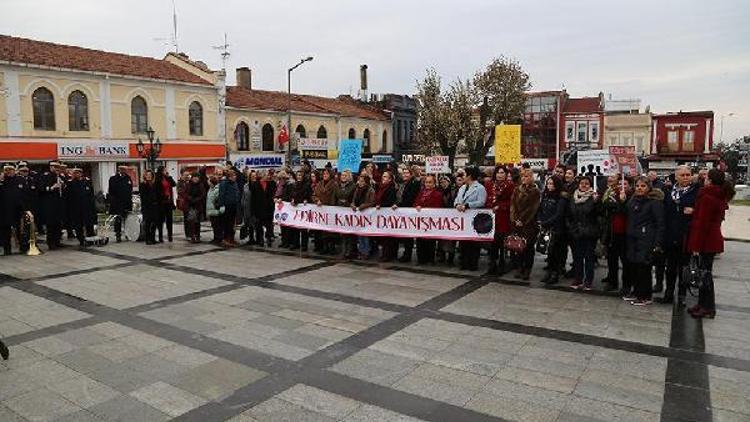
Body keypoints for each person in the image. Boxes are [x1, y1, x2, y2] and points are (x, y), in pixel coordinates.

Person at [686, 169, 735, 318]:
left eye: (706, 177)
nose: (704, 179)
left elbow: (703, 223)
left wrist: (695, 245)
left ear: (711, 180)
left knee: (705, 275)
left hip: (707, 240)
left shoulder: (707, 196)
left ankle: (707, 307)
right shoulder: (717, 194)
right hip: (712, 238)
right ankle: (702, 304)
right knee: (704, 273)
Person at [658, 166, 700, 305]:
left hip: (686, 235)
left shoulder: (696, 192)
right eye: (682, 175)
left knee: (684, 268)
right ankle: (668, 293)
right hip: (670, 235)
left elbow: (702, 212)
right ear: (676, 177)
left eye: (688, 174)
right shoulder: (669, 192)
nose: (686, 177)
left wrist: (694, 211)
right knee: (670, 268)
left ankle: (682, 295)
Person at [624, 177, 665, 306]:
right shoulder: (633, 200)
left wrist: (657, 243)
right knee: (635, 267)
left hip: (646, 239)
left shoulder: (654, 202)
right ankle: (637, 292)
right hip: (633, 238)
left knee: (644, 268)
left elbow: (660, 224)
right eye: (637, 186)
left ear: (648, 188)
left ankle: (645, 296)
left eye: (643, 186)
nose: (639, 188)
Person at [600, 174, 631, 293]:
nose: (621, 186)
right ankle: (612, 281)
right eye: (619, 184)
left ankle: (626, 284)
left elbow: (626, 212)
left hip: (625, 233)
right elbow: (604, 209)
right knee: (612, 259)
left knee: (625, 261)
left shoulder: (631, 197)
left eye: (624, 184)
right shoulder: (612, 195)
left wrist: (622, 202)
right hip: (612, 232)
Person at [567, 176, 600, 290]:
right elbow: (570, 215)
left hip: (589, 232)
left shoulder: (593, 197)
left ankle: (588, 281)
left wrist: (596, 202)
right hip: (576, 232)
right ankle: (578, 278)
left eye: (586, 183)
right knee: (577, 257)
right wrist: (572, 228)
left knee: (589, 258)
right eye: (582, 183)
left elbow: (597, 214)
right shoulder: (574, 197)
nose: (584, 185)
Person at [509, 168, 541, 280]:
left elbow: (532, 209)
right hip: (517, 223)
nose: (524, 178)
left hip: (529, 224)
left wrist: (522, 220)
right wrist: (515, 219)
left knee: (528, 247)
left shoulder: (535, 191)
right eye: (522, 176)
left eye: (526, 176)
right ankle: (519, 267)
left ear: (531, 178)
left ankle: (527, 269)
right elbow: (512, 205)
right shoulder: (517, 189)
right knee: (518, 247)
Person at [454, 166, 487, 271]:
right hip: (463, 219)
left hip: (473, 218)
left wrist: (467, 205)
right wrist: (457, 205)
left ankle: (473, 263)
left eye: (464, 174)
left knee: (473, 242)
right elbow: (456, 199)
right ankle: (463, 262)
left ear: (470, 176)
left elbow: (481, 202)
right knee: (463, 242)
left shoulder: (480, 188)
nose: (462, 176)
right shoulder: (462, 188)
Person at [537, 176, 568, 285]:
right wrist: (540, 220)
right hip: (546, 228)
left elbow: (559, 214)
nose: (550, 186)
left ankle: (555, 273)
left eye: (552, 184)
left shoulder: (561, 198)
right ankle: (549, 272)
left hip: (556, 228)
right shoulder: (545, 195)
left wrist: (546, 222)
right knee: (549, 252)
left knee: (555, 252)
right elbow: (540, 209)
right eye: (548, 184)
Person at [485, 166, 515, 276]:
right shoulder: (489, 185)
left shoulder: (510, 185)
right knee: (493, 243)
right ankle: (492, 264)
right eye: (498, 173)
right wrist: (489, 205)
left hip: (503, 217)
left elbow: (512, 201)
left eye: (502, 173)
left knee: (502, 242)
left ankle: (502, 264)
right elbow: (487, 198)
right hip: (492, 216)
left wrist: (500, 206)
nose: (499, 175)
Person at [414, 175, 443, 265]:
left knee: (430, 240)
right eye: (426, 182)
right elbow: (415, 202)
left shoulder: (438, 194)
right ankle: (421, 259)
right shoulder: (421, 192)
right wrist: (417, 206)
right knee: (420, 240)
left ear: (434, 184)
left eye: (430, 182)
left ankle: (430, 259)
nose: (428, 184)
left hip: (431, 221)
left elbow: (437, 206)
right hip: (420, 221)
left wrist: (424, 208)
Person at [38, 162, 65, 250]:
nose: (57, 169)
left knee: (58, 224)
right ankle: (51, 243)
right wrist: (52, 187)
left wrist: (63, 185)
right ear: (51, 167)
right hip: (49, 203)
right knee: (51, 224)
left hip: (58, 203)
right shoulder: (45, 176)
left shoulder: (59, 177)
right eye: (55, 167)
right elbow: (41, 188)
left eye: (58, 167)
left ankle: (57, 241)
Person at [66, 168, 95, 248]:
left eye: (78, 173)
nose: (76, 174)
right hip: (76, 208)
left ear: (81, 174)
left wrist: (92, 206)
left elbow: (91, 194)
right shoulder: (70, 183)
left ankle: (91, 239)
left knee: (89, 224)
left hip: (86, 207)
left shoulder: (86, 182)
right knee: (78, 225)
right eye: (75, 173)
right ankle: (81, 240)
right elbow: (68, 197)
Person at [398, 167, 421, 263]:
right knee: (405, 235)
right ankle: (406, 253)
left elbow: (411, 198)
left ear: (411, 174)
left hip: (409, 211)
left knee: (409, 235)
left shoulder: (414, 183)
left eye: (407, 173)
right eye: (404, 173)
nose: (405, 175)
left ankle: (407, 255)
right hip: (404, 211)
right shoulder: (403, 184)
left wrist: (399, 204)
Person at [375, 170, 399, 262]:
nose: (383, 178)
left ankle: (388, 255)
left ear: (390, 179)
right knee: (383, 237)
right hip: (381, 215)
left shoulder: (391, 188)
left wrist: (381, 205)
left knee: (387, 237)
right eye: (383, 176)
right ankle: (385, 254)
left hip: (388, 214)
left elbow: (390, 201)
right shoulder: (381, 187)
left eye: (385, 176)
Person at [312, 168, 337, 254]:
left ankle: (332, 247)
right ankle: (324, 247)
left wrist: (332, 206)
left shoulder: (334, 184)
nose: (325, 175)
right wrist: (317, 200)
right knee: (323, 230)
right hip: (321, 210)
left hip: (330, 209)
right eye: (324, 174)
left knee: (331, 230)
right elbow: (314, 195)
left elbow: (334, 196)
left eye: (327, 174)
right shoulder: (319, 184)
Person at [351, 174, 375, 259]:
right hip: (359, 215)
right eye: (359, 181)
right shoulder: (357, 190)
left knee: (366, 235)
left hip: (367, 215)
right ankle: (361, 251)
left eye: (362, 181)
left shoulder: (370, 190)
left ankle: (366, 252)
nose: (360, 183)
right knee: (360, 234)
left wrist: (362, 206)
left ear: (366, 182)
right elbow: (353, 200)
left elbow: (372, 202)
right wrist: (353, 205)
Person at [333, 170, 357, 258]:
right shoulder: (337, 185)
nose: (343, 177)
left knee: (349, 233)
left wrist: (346, 202)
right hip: (340, 211)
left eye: (345, 175)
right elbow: (335, 196)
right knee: (342, 232)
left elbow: (353, 198)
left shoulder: (353, 186)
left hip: (349, 211)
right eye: (342, 175)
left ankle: (349, 251)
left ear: (349, 177)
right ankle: (343, 251)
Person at [107, 165, 133, 243]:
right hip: (117, 203)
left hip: (127, 202)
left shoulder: (128, 178)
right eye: (122, 169)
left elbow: (130, 189)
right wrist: (113, 201)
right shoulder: (113, 179)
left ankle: (127, 234)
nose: (124, 171)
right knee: (118, 219)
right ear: (119, 170)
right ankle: (118, 235)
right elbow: (111, 191)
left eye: (125, 169)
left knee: (127, 219)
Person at [251, 170, 277, 247]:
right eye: (266, 175)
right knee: (259, 226)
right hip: (259, 209)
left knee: (269, 225)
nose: (268, 176)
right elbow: (253, 199)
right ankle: (261, 240)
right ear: (262, 176)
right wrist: (253, 210)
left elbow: (273, 194)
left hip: (269, 208)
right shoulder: (255, 184)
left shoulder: (271, 184)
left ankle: (269, 239)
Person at [290, 169, 312, 251]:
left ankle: (304, 245)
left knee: (303, 228)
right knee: (295, 227)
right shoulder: (294, 184)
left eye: (300, 175)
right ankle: (295, 243)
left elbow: (307, 195)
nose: (298, 177)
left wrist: (305, 200)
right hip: (295, 208)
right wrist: (292, 199)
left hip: (303, 208)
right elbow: (292, 194)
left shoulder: (306, 185)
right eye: (298, 175)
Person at [218, 169, 241, 247]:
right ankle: (226, 239)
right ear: (229, 177)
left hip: (234, 206)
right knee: (227, 224)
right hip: (227, 206)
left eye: (235, 175)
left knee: (232, 224)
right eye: (233, 176)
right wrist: (221, 205)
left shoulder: (235, 183)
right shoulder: (224, 183)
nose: (235, 177)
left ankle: (231, 238)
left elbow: (237, 194)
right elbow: (221, 195)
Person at [154, 166, 176, 243]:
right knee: (161, 220)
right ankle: (160, 236)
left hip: (169, 202)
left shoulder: (168, 178)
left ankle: (170, 235)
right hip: (161, 203)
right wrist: (164, 196)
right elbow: (157, 192)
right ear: (161, 171)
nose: (166, 171)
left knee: (169, 220)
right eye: (165, 170)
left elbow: (174, 184)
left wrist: (169, 176)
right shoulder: (157, 180)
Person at [139, 170, 159, 245]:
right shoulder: (143, 184)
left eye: (150, 175)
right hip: (147, 206)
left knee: (154, 222)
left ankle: (153, 238)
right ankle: (147, 239)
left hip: (155, 206)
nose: (149, 176)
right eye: (147, 175)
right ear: (145, 176)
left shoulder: (154, 184)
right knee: (148, 223)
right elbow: (143, 196)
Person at [185, 173, 206, 243]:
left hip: (198, 205)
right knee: (191, 222)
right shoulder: (188, 185)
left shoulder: (201, 185)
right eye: (194, 177)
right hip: (190, 206)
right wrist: (190, 198)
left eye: (197, 177)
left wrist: (196, 199)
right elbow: (185, 194)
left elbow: (203, 194)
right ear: (192, 178)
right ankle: (192, 236)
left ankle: (198, 236)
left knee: (197, 222)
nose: (196, 178)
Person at [205, 175, 223, 245]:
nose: (207, 182)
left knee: (217, 225)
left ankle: (219, 238)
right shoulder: (210, 189)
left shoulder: (217, 189)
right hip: (210, 210)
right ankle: (215, 238)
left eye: (208, 181)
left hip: (215, 210)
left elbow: (218, 200)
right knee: (214, 225)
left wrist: (217, 206)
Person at [240, 170, 256, 245]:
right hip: (246, 207)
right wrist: (242, 204)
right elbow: (243, 196)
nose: (254, 177)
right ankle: (250, 238)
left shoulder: (257, 185)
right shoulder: (245, 185)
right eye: (252, 176)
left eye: (255, 176)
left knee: (253, 223)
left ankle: (256, 239)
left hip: (254, 207)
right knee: (248, 223)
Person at [176, 170, 191, 240]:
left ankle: (193, 233)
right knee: (187, 219)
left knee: (192, 218)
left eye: (188, 175)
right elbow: (180, 192)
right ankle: (188, 234)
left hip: (191, 202)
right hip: (185, 203)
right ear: (182, 175)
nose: (187, 176)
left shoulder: (190, 182)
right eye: (186, 175)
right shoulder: (180, 183)